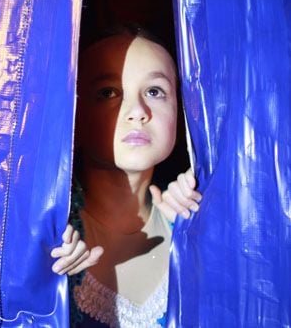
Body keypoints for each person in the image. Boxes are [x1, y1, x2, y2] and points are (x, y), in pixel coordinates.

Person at [51, 25, 202, 327]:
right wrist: (42, 284)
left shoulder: (190, 222)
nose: (137, 111)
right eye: (108, 92)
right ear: (74, 114)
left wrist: (201, 220)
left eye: (154, 91)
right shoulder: (45, 233)